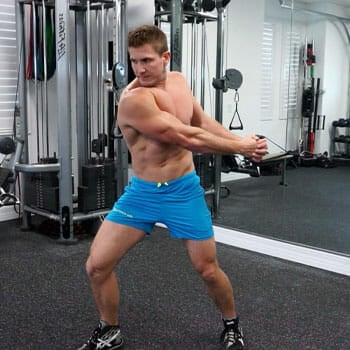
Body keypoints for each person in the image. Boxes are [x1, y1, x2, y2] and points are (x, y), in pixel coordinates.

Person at [78, 24, 268, 350]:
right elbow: (185, 137)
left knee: (208, 270)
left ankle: (231, 324)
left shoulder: (179, 82)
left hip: (182, 190)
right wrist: (242, 148)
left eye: (147, 61)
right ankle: (109, 329)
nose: (140, 69)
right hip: (143, 194)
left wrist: (239, 141)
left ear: (165, 57)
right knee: (96, 266)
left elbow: (199, 121)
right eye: (135, 61)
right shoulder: (134, 100)